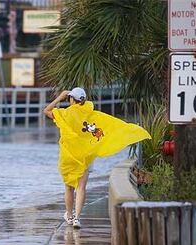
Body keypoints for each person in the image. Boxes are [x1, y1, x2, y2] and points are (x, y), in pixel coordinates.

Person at [43, 87, 151, 228]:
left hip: (69, 156)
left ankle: (69, 216)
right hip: (87, 155)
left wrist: (59, 98)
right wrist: (132, 130)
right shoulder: (92, 115)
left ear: (71, 99)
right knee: (81, 187)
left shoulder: (65, 114)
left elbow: (46, 111)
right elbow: (112, 125)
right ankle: (77, 218)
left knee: (69, 187)